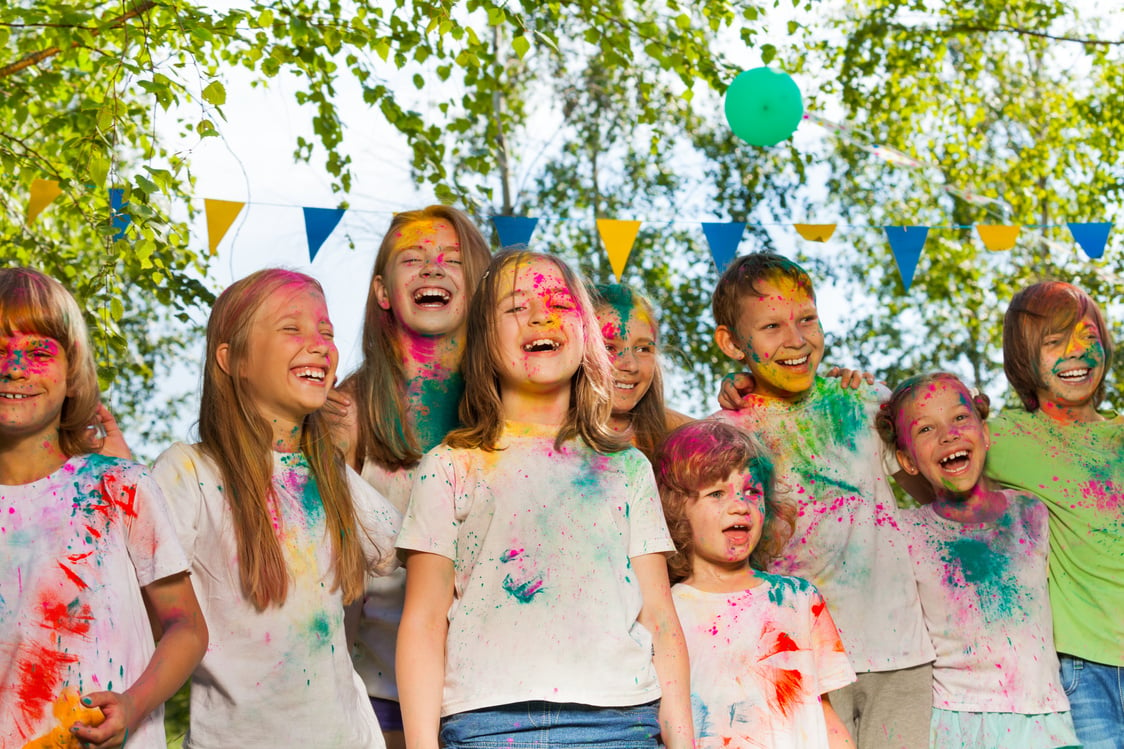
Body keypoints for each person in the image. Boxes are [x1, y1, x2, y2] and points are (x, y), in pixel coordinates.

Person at [395, 249, 693, 749]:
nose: (540, 315)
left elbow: (660, 617)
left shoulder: (626, 468)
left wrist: (683, 741)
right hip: (483, 724)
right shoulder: (449, 466)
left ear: (586, 335)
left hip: (621, 723)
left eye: (558, 301)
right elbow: (424, 622)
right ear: (485, 341)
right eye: (516, 307)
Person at [151, 268, 401, 748]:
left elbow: (401, 552)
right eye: (292, 328)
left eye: (326, 332)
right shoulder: (189, 472)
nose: (320, 344)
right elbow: (141, 598)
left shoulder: (328, 473)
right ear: (233, 359)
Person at [709, 252, 933, 749]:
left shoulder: (863, 402)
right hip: (796, 660)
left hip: (899, 656)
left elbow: (936, 486)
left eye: (806, 319)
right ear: (731, 343)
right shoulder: (728, 435)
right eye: (771, 326)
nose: (796, 339)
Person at [0, 267, 207, 748]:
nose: (14, 367)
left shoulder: (119, 487)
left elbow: (187, 627)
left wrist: (133, 705)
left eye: (38, 351)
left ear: (72, 374)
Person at [332, 206, 491, 749]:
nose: (432, 269)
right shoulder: (348, 412)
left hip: (490, 693)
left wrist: (744, 399)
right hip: (379, 692)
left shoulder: (513, 404)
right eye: (412, 259)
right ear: (382, 291)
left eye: (451, 260)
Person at [876, 372, 1079, 748]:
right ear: (906, 460)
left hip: (1045, 718)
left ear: (985, 433)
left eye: (959, 418)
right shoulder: (904, 533)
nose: (948, 435)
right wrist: (862, 392)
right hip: (958, 723)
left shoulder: (1032, 513)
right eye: (925, 430)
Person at [656, 419, 856, 748]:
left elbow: (823, 711)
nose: (740, 505)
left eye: (752, 491)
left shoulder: (799, 599)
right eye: (717, 493)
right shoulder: (666, 612)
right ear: (677, 509)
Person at [985, 281, 1124, 749]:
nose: (1077, 353)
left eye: (1087, 337)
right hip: (1083, 668)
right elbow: (911, 446)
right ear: (1025, 357)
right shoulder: (1004, 437)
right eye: (1054, 342)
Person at [590, 282, 691, 460]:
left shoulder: (681, 436)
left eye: (643, 349)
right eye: (609, 347)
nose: (631, 365)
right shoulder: (539, 432)